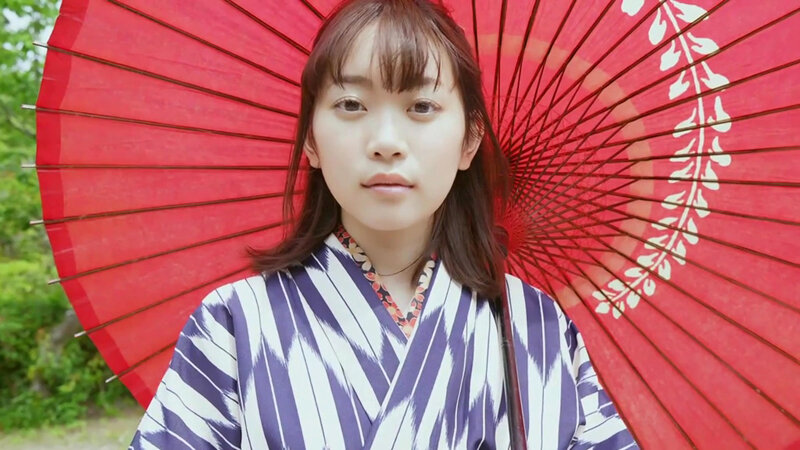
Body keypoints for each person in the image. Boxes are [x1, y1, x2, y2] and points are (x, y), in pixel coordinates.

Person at [129, 0, 638, 448]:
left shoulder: (536, 326)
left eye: (422, 106)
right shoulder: (235, 324)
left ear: (469, 140)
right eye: (351, 105)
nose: (387, 141)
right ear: (311, 140)